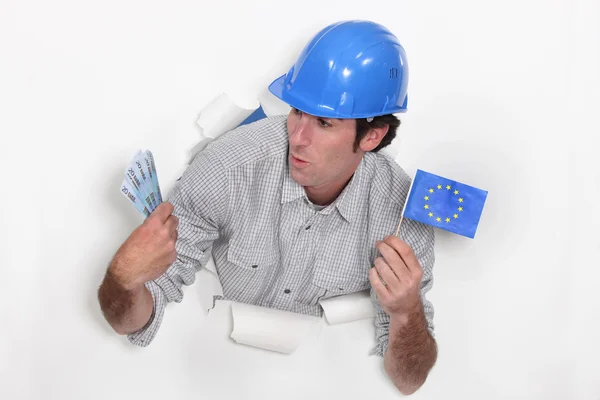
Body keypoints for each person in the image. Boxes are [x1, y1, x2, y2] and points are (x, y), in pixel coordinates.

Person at [98, 20, 437, 395]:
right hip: (206, 373)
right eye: (296, 111)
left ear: (372, 136)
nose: (298, 138)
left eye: (323, 123)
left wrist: (407, 312)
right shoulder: (229, 167)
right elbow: (132, 322)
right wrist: (123, 280)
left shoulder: (400, 217)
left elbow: (409, 380)